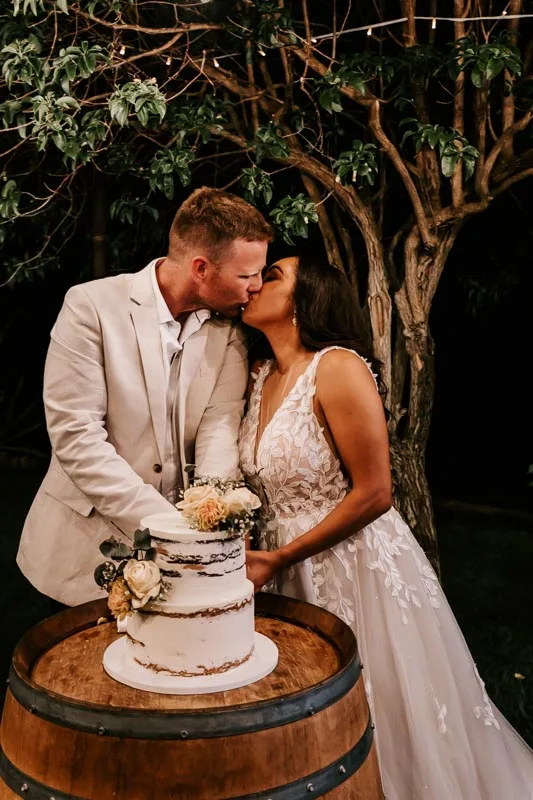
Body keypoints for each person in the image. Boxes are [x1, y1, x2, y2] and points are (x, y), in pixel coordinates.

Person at [239, 251, 533, 799]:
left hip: (353, 564)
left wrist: (282, 556)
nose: (254, 283)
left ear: (307, 301)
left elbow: (375, 492)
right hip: (281, 571)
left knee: (382, 703)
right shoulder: (260, 377)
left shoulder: (337, 367)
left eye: (272, 275)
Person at [17, 187, 273, 608]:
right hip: (80, 553)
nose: (256, 287)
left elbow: (219, 429)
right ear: (201, 268)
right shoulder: (90, 307)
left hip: (181, 559)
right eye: (247, 275)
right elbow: (76, 440)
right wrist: (170, 526)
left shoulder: (228, 334)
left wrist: (209, 524)